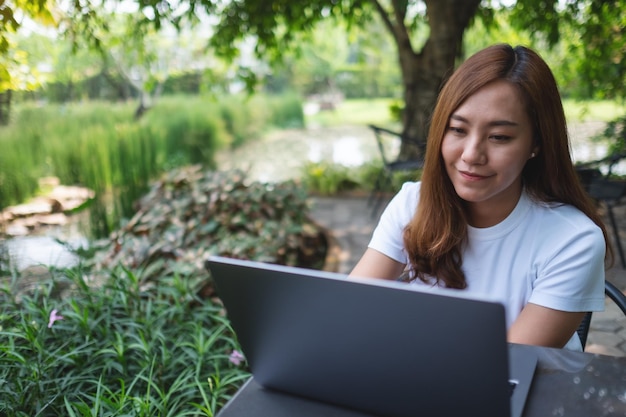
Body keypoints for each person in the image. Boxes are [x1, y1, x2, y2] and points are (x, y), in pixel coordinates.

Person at [350, 44, 612, 351]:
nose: (472, 155)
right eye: (458, 129)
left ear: (536, 143)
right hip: (418, 383)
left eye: (499, 137)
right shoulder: (414, 203)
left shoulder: (573, 240)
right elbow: (349, 310)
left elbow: (503, 370)